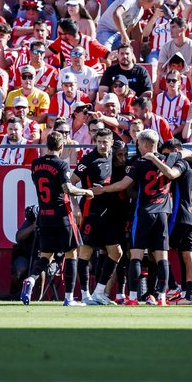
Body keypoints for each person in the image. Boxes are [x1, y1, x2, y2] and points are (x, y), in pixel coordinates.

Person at [92, 129, 188, 306]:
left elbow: (124, 185)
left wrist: (103, 189)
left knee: (136, 255)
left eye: (139, 143)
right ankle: (161, 298)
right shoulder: (171, 158)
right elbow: (177, 166)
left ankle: (134, 297)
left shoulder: (141, 162)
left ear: (144, 144)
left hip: (143, 213)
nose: (138, 146)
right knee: (162, 257)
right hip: (162, 214)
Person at [21, 131, 94, 306]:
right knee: (72, 254)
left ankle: (31, 279)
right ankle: (69, 298)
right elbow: (68, 189)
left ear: (47, 145)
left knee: (46, 256)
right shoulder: (61, 164)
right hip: (62, 215)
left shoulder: (36, 164)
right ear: (61, 147)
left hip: (44, 216)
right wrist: (86, 191)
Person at [70, 128, 123, 305]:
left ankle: (99, 291)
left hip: (110, 214)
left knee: (116, 253)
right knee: (85, 252)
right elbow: (71, 183)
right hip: (91, 212)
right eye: (99, 142)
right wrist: (76, 205)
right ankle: (85, 295)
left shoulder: (115, 156)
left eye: (105, 142)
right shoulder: (88, 160)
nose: (101, 145)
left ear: (110, 142)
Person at [160, 138, 192, 305]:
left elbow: (171, 174)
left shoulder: (181, 164)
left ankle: (173, 287)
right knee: (188, 255)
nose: (164, 158)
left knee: (157, 249)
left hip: (180, 214)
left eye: (166, 154)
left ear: (174, 151)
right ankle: (191, 295)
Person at [96, 0, 164, 50]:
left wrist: (137, 47)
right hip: (105, 30)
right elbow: (116, 14)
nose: (152, 9)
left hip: (119, 35)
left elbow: (130, 28)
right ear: (149, 1)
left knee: (130, 57)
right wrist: (124, 35)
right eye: (153, 6)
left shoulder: (141, 11)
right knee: (106, 55)